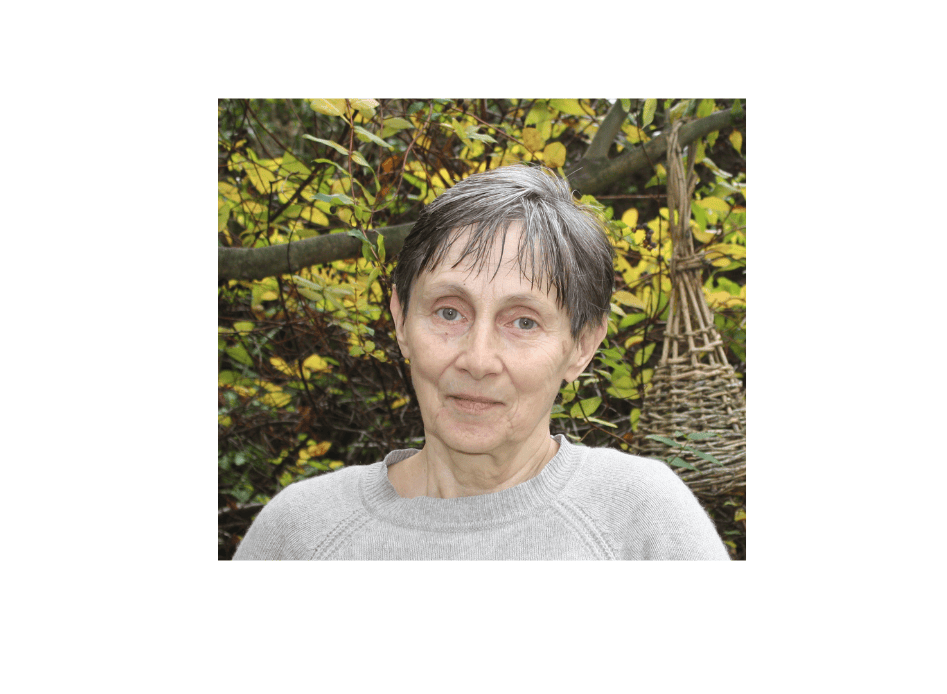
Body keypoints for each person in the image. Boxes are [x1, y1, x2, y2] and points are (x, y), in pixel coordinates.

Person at [233, 164, 730, 561]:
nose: (478, 359)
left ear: (581, 346)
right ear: (401, 319)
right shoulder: (301, 531)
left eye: (523, 322)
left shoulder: (641, 520)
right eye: (449, 312)